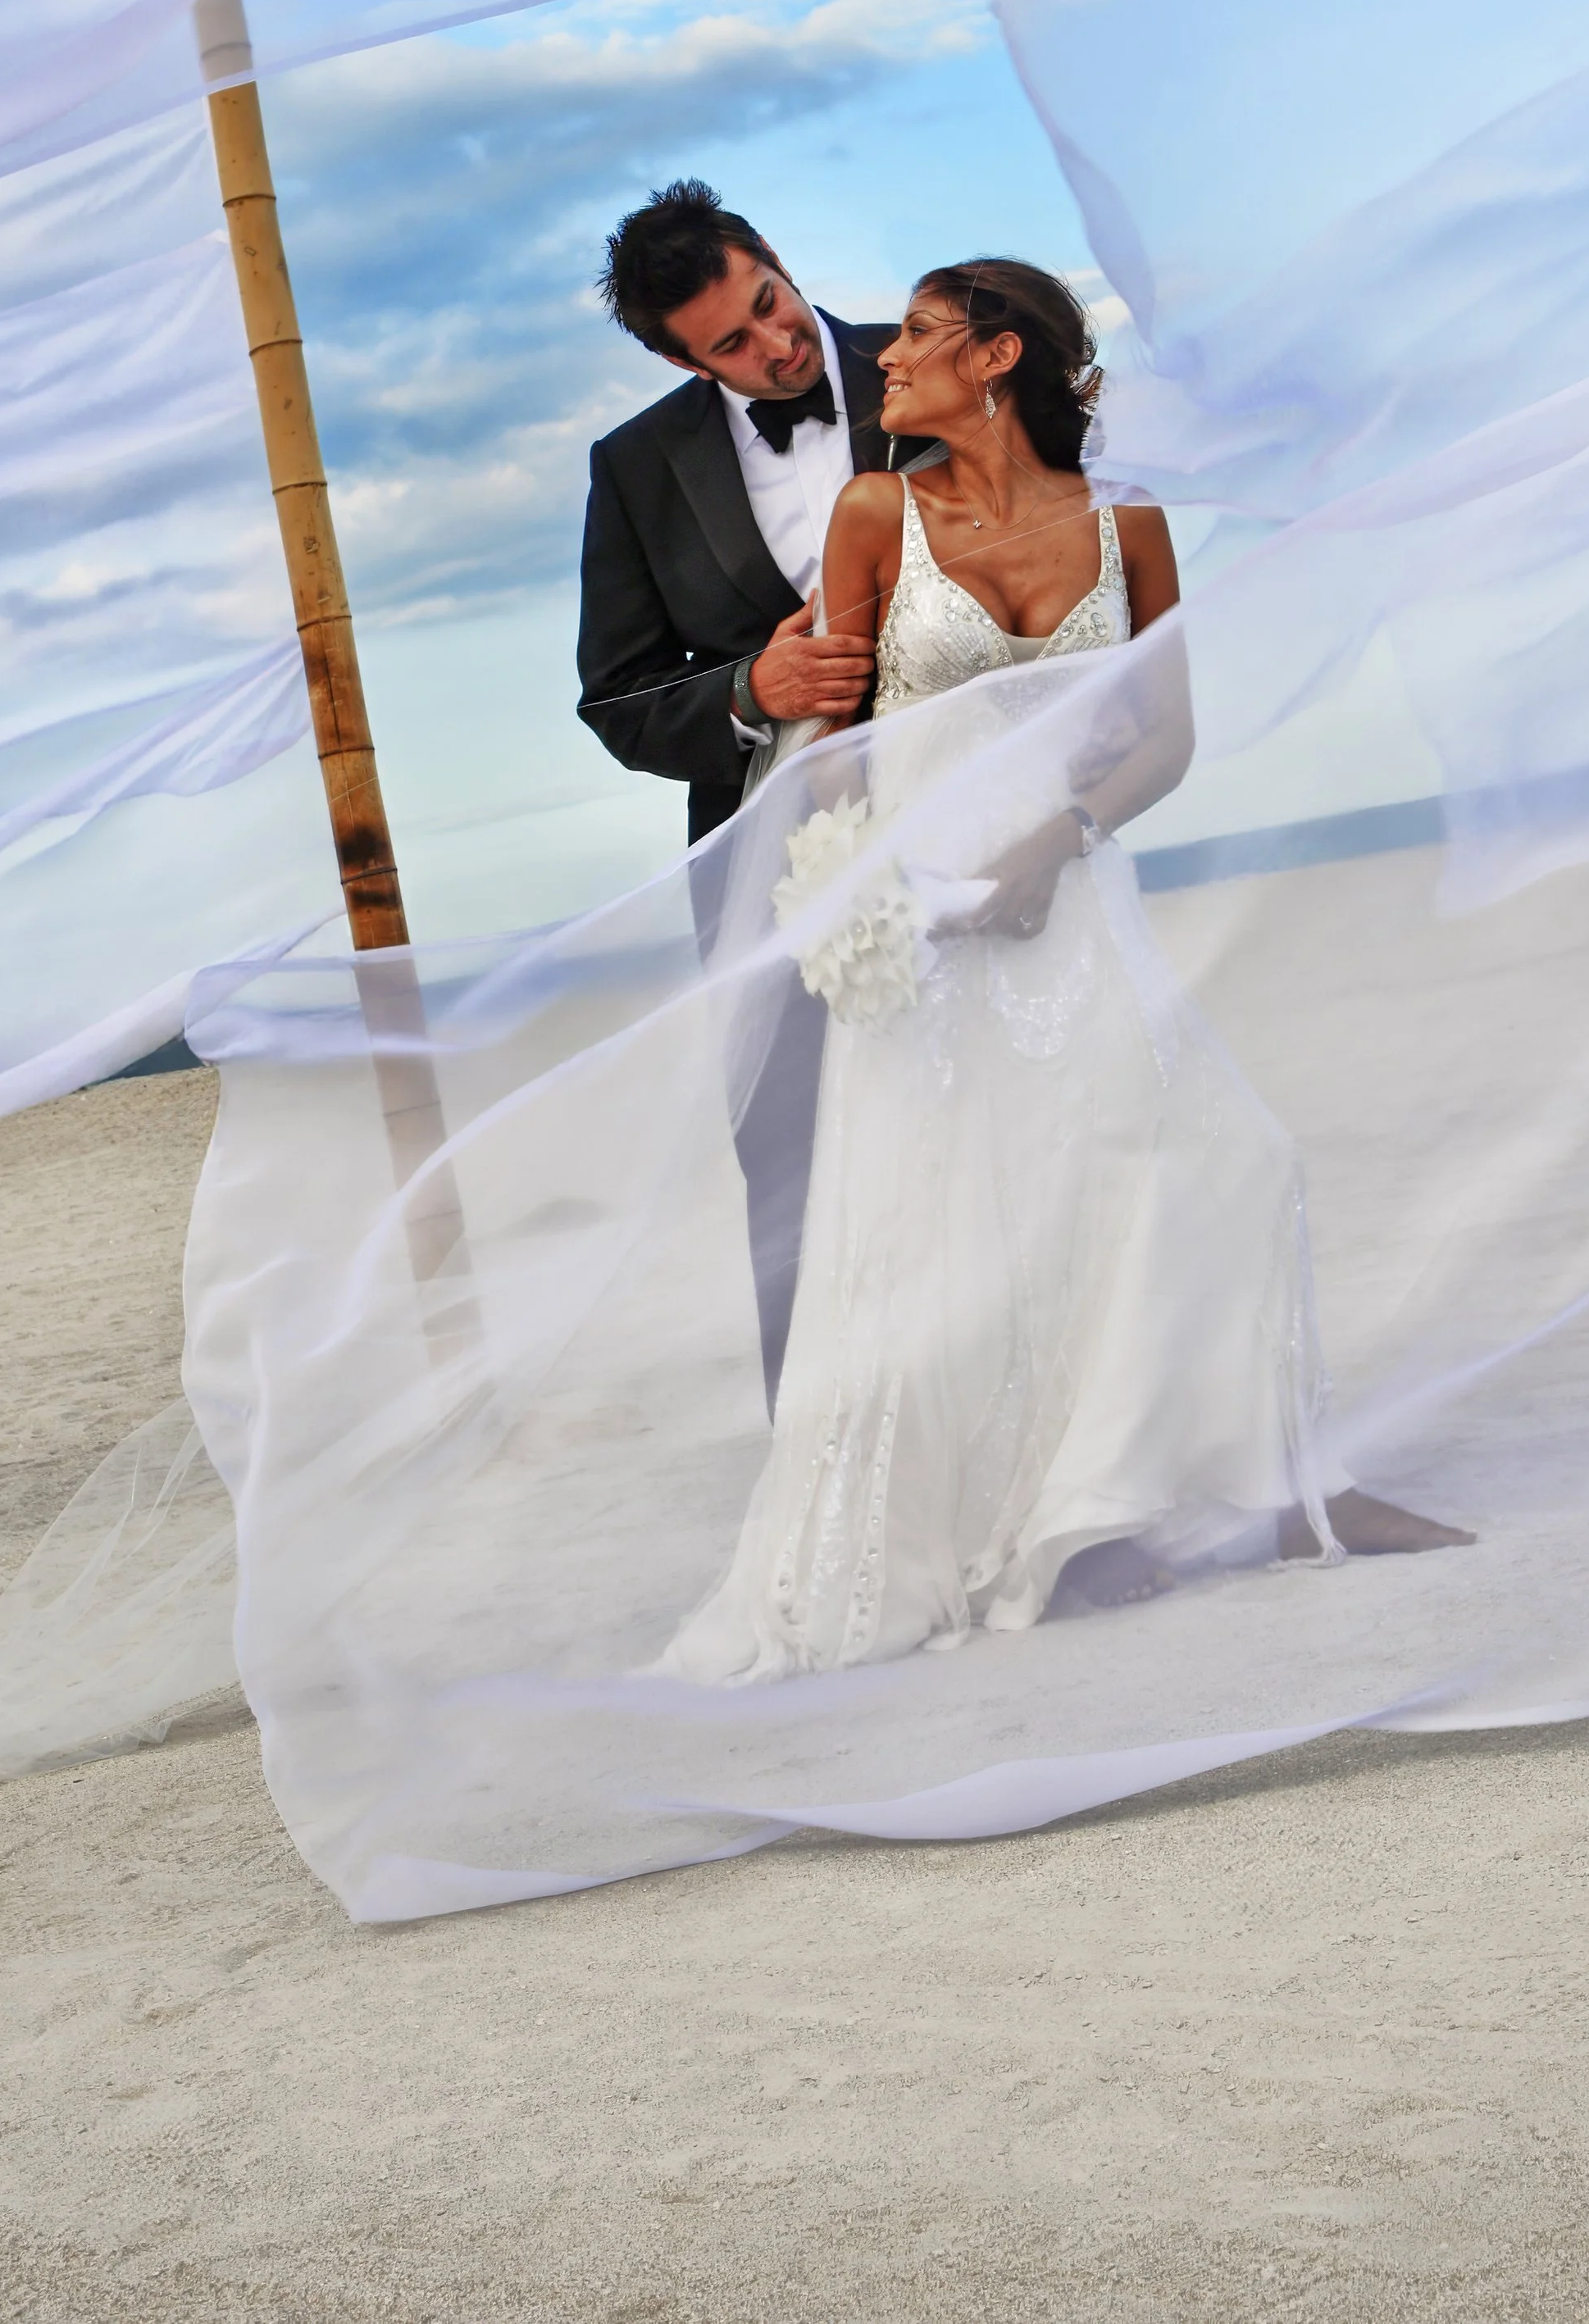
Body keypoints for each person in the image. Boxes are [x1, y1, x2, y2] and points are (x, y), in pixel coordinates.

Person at [662, 259, 1469, 1682]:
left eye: (917, 333)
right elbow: (825, 748)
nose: (884, 357)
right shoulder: (872, 514)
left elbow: (1162, 735)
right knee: (955, 1230)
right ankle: (1070, 1531)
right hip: (916, 925)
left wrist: (1055, 840)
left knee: (1225, 1158)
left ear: (998, 356)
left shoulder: (1128, 522)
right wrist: (850, 911)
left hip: (1074, 889)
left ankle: (1291, 1492)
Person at [577, 179, 937, 1407]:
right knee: (790, 1161)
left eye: (771, 304)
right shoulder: (633, 470)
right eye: (730, 343)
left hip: (973, 813)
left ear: (778, 258)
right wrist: (751, 684)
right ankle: (825, 1464)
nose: (774, 344)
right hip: (766, 871)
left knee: (996, 1121)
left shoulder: (934, 359)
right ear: (685, 359)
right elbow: (617, 700)